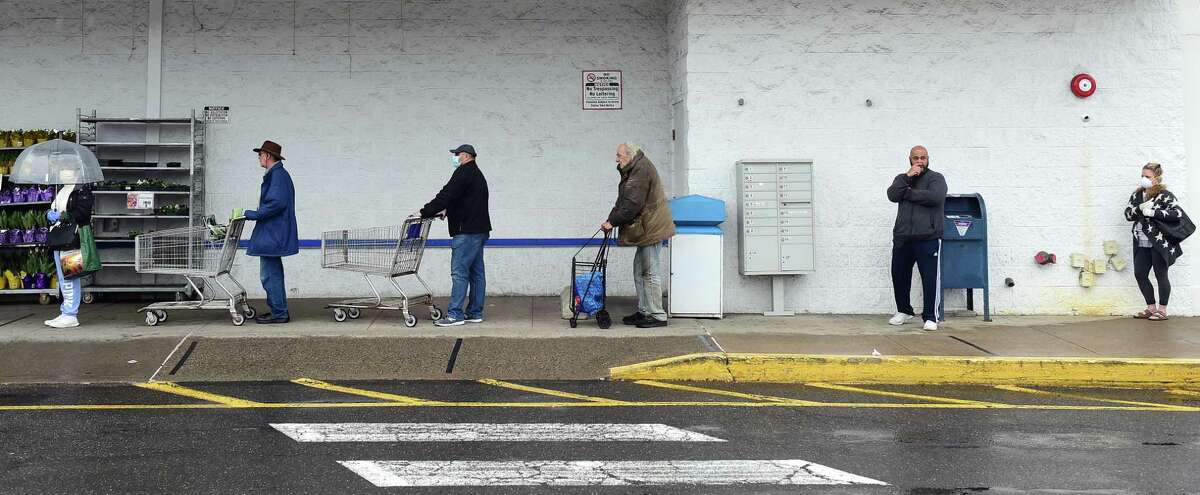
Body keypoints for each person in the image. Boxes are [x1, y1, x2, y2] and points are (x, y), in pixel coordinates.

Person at [602, 143, 675, 328]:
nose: (616, 159)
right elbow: (624, 200)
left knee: (649, 271)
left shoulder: (640, 170)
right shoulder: (634, 168)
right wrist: (611, 219)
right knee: (639, 270)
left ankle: (657, 315)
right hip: (646, 227)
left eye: (619, 155)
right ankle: (645, 310)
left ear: (630, 155)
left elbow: (632, 203)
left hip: (651, 228)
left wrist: (612, 222)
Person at [421, 144, 491, 327]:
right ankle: (475, 312)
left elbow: (447, 194)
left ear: (466, 156)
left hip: (467, 232)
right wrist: (448, 211)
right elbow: (466, 200)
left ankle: (455, 315)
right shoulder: (476, 174)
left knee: (459, 273)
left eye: (456, 154)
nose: (454, 157)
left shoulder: (463, 172)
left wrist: (425, 211)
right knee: (476, 273)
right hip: (479, 230)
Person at [885, 145, 947, 332]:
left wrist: (909, 193)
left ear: (928, 159)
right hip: (903, 237)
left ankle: (930, 317)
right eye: (916, 158)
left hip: (928, 236)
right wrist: (907, 178)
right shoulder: (902, 179)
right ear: (910, 159)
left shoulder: (936, 178)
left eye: (923, 158)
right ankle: (904, 310)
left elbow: (935, 197)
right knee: (899, 275)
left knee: (930, 278)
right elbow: (892, 194)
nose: (920, 161)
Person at [239, 140, 298, 324]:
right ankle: (278, 310)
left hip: (273, 233)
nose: (259, 158)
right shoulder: (277, 174)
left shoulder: (278, 175)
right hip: (274, 232)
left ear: (268, 156)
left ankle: (279, 313)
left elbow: (276, 203)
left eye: (260, 155)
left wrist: (254, 214)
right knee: (272, 273)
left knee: (269, 274)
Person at [1124, 162, 1186, 321]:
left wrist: (1153, 212)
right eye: (1142, 176)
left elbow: (1177, 214)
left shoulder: (1165, 195)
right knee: (1140, 274)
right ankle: (1151, 308)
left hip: (1159, 241)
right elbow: (1128, 214)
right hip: (1141, 240)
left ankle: (1162, 310)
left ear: (1157, 178)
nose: (1144, 179)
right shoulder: (1137, 195)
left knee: (1161, 275)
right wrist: (1139, 209)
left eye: (1148, 176)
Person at [44, 175, 94, 329]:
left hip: (73, 239)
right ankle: (65, 312)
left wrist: (62, 215)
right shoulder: (62, 189)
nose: (63, 173)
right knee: (62, 278)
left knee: (71, 276)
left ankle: (71, 314)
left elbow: (83, 214)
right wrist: (48, 214)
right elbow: (54, 209)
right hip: (59, 238)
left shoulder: (82, 190)